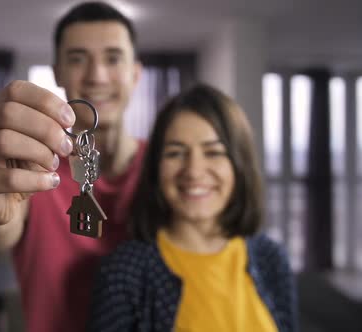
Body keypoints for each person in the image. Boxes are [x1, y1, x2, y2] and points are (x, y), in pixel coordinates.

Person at [0, 2, 144, 331]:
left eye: (113, 58)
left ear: (135, 73)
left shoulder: (171, 165)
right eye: (77, 58)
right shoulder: (34, 164)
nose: (97, 76)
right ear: (57, 71)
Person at [88, 85, 297, 332]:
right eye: (175, 153)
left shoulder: (271, 259)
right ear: (156, 167)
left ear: (239, 165)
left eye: (213, 152)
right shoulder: (124, 272)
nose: (194, 171)